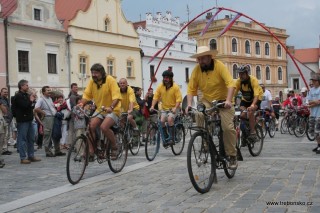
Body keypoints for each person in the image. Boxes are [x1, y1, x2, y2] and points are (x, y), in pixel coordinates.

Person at [185, 46, 237, 170]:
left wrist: (229, 100)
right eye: (199, 58)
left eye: (203, 58)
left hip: (223, 101)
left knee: (227, 127)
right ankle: (205, 144)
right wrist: (188, 105)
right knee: (199, 113)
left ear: (210, 57)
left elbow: (231, 84)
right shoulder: (196, 70)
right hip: (207, 101)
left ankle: (232, 155)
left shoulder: (219, 66)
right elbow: (191, 89)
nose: (201, 61)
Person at [80, 63, 121, 159]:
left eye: (96, 73)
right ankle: (91, 151)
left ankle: (115, 147)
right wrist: (81, 104)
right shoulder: (92, 82)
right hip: (100, 109)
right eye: (92, 73)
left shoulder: (110, 80)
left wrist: (111, 107)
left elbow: (116, 97)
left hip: (113, 110)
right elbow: (87, 95)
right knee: (91, 127)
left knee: (104, 127)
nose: (93, 75)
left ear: (102, 73)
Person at [150, 69, 182, 147]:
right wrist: (152, 106)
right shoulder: (160, 86)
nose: (165, 79)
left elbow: (179, 99)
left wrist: (175, 108)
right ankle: (166, 137)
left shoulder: (175, 87)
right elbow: (156, 97)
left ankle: (172, 138)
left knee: (170, 119)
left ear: (171, 78)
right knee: (162, 121)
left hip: (174, 107)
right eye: (164, 77)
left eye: (167, 78)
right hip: (164, 108)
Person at [234, 65, 263, 141]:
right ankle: (246, 130)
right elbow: (234, 93)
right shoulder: (238, 81)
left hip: (257, 98)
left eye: (242, 74)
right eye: (239, 74)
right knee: (242, 114)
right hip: (245, 100)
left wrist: (253, 105)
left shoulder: (253, 80)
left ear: (247, 73)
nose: (240, 76)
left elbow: (256, 95)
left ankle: (253, 132)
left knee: (250, 112)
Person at [34, 86, 66, 157]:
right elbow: (36, 108)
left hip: (53, 117)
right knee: (47, 135)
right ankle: (48, 152)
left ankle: (57, 150)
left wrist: (57, 104)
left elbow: (53, 104)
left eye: (50, 90)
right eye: (47, 90)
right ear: (43, 92)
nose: (49, 91)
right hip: (47, 118)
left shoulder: (50, 99)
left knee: (56, 134)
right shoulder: (41, 99)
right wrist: (43, 112)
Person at [15, 80, 41, 164]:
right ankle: (23, 157)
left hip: (29, 119)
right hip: (23, 120)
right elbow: (24, 106)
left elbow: (31, 106)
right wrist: (31, 100)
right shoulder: (18, 96)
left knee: (31, 138)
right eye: (26, 85)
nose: (28, 86)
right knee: (23, 139)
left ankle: (31, 155)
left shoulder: (27, 95)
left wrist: (33, 100)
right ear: (21, 86)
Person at [307, 74, 320, 154]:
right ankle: (318, 144)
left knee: (317, 131)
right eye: (313, 81)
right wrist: (315, 102)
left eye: (315, 81)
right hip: (313, 114)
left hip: (319, 114)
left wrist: (313, 103)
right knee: (312, 131)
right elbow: (309, 101)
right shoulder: (311, 90)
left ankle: (319, 146)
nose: (313, 82)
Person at [0, 88, 13, 155]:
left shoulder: (6, 99)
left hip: (7, 119)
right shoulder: (1, 99)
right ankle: (3, 150)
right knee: (3, 136)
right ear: (1, 92)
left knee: (6, 135)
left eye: (7, 92)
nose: (6, 93)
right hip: (4, 120)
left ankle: (5, 149)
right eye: (4, 92)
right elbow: (4, 109)